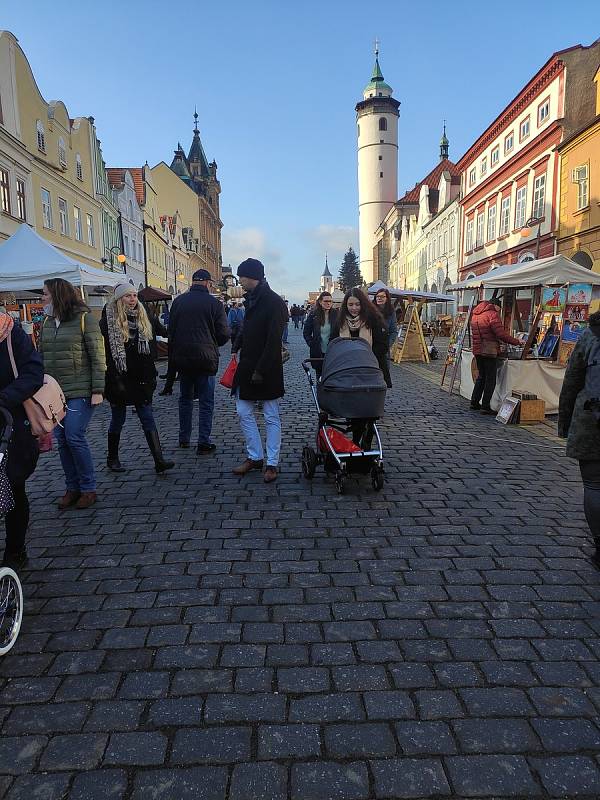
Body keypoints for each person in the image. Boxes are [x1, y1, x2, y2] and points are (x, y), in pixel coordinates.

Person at [40, 278, 105, 509]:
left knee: (74, 436)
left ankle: (88, 488)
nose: (42, 297)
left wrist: (98, 389)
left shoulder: (84, 319)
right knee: (62, 441)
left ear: (57, 295)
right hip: (54, 393)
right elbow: (42, 356)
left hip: (81, 390)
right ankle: (72, 487)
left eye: (45, 293)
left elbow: (98, 356)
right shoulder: (48, 322)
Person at [100, 283, 174, 474]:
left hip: (142, 376)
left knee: (147, 417)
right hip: (119, 375)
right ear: (118, 299)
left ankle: (159, 460)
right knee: (118, 418)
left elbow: (162, 330)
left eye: (134, 295)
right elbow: (107, 349)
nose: (132, 299)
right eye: (127, 296)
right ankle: (112, 458)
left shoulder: (145, 314)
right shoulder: (108, 318)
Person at [232, 258, 288, 483]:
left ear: (251, 276)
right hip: (247, 365)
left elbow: (274, 340)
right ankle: (255, 456)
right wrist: (237, 345)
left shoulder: (274, 302)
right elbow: (248, 328)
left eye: (241, 277)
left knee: (271, 415)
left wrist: (261, 370)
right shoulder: (251, 299)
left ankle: (272, 463)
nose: (239, 281)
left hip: (267, 368)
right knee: (243, 411)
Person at [168, 268, 229, 454]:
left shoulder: (178, 302)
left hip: (183, 359)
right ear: (208, 283)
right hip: (205, 359)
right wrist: (212, 344)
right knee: (205, 401)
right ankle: (203, 441)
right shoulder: (215, 304)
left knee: (185, 399)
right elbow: (224, 333)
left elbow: (171, 330)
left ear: (192, 282)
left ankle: (184, 438)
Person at [0, 314, 44, 569]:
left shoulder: (10, 332)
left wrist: (4, 398)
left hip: (10, 422)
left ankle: (16, 550)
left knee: (13, 484)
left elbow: (33, 373)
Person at [558, 310, 600, 569]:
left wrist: (564, 423)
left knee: (595, 485)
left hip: (591, 420)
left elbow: (572, 381)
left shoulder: (590, 335)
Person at [469, 297, 521, 414]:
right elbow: (500, 334)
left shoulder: (476, 314)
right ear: (495, 306)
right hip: (488, 351)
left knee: (481, 377)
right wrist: (517, 341)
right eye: (499, 308)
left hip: (477, 350)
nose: (499, 311)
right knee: (490, 379)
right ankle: (485, 406)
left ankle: (474, 402)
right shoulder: (492, 314)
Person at [331, 288, 391, 387]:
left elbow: (382, 346)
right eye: (350, 305)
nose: (354, 308)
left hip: (371, 368)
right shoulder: (340, 322)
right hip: (346, 369)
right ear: (346, 305)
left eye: (357, 304)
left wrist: (362, 357)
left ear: (363, 304)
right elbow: (333, 342)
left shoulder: (374, 319)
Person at [303, 291, 338, 376]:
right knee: (320, 376)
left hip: (333, 351)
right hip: (318, 352)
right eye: (326, 301)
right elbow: (306, 332)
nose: (328, 303)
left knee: (332, 375)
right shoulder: (313, 315)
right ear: (320, 302)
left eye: (330, 301)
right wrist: (312, 343)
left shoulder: (336, 314)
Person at [373, 288, 398, 360]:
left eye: (382, 296)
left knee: (385, 370)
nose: (379, 298)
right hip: (372, 348)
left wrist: (387, 345)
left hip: (384, 349)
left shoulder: (391, 312)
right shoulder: (370, 311)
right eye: (377, 296)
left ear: (387, 298)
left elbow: (393, 331)